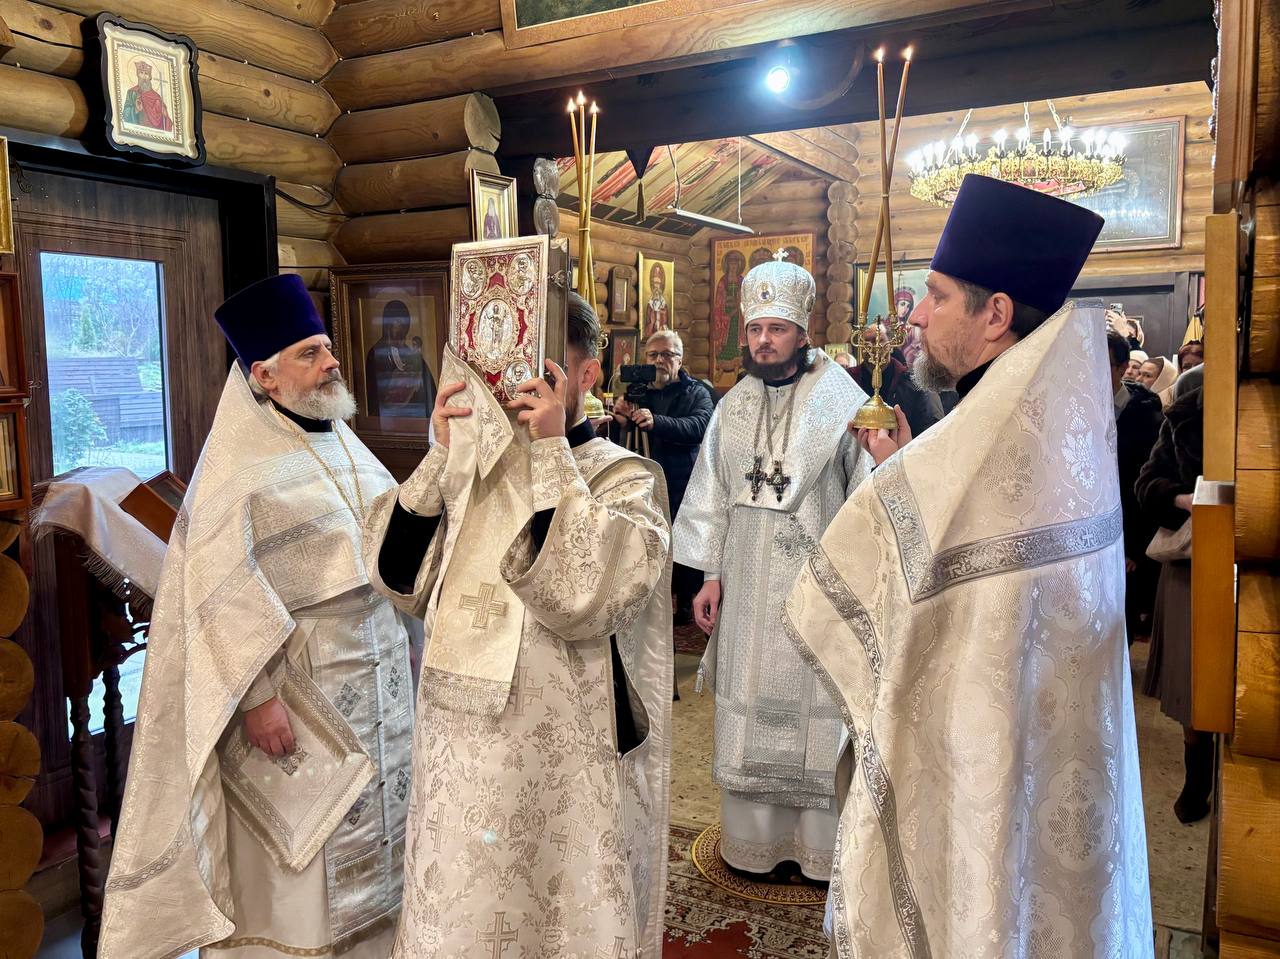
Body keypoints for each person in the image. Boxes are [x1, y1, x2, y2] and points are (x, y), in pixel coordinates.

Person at [787, 175, 1152, 956]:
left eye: (937, 295)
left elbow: (864, 592)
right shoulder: (1048, 431)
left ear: (996, 315)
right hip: (1025, 777)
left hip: (984, 775)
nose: (916, 315)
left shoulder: (999, 445)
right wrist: (905, 468)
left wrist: (896, 482)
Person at [99, 274, 413, 958]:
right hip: (301, 695)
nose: (330, 362)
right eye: (310, 353)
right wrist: (258, 697)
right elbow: (217, 592)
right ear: (264, 376)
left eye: (326, 347)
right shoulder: (238, 467)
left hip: (379, 685)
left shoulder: (342, 440)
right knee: (305, 862)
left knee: (389, 843)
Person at [364, 292, 674, 957]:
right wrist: (441, 455)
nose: (516, 382)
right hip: (456, 749)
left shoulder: (622, 476)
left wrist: (553, 450)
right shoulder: (470, 470)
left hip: (561, 753)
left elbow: (590, 594)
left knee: (554, 913)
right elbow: (397, 579)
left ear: (587, 373)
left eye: (539, 364)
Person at [673, 252, 870, 882]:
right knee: (751, 702)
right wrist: (708, 577)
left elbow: (866, 494)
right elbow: (710, 492)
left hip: (816, 585)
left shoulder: (843, 401)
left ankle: (816, 851)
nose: (763, 340)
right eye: (755, 329)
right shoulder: (732, 406)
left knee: (817, 708)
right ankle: (754, 844)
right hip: (748, 586)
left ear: (802, 333)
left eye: (776, 329)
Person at [1137, 363, 1210, 822]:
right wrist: (1184, 499)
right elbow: (1146, 484)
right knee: (1191, 679)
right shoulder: (1184, 414)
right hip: (1191, 560)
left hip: (1254, 556)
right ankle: (1197, 774)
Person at [613, 329, 713, 625]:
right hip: (645, 479)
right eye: (653, 354)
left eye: (667, 354)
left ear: (680, 360)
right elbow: (625, 440)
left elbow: (700, 426)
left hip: (682, 480)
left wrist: (657, 422)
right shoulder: (638, 393)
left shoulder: (696, 392)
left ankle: (685, 601)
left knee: (682, 544)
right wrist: (622, 421)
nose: (659, 360)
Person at [1107, 331, 1165, 641]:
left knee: (1121, 617)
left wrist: (1135, 547)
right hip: (1088, 535)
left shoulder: (1146, 416)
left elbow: (1145, 485)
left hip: (1127, 537)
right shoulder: (1074, 406)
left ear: (1121, 368)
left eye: (1102, 364)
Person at [850, 322, 943, 437]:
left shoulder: (911, 382)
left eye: (879, 340)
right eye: (866, 342)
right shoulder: (850, 380)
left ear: (891, 345)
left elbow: (925, 427)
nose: (873, 347)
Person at [366, 299, 436, 420]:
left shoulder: (409, 352)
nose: (402, 327)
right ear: (387, 324)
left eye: (405, 323)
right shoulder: (376, 353)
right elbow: (373, 396)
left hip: (416, 417)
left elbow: (430, 389)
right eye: (398, 322)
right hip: (389, 418)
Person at [122, 60, 173, 131]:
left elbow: (167, 122)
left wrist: (164, 115)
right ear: (138, 75)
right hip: (138, 130)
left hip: (155, 132)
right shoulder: (132, 92)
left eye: (146, 74)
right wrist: (136, 109)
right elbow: (125, 114)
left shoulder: (157, 97)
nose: (144, 76)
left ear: (149, 77)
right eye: (141, 73)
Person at [643, 260, 670, 337]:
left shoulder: (664, 304)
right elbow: (648, 322)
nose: (656, 286)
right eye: (655, 283)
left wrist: (660, 313)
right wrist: (652, 322)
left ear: (661, 284)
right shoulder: (650, 304)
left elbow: (665, 321)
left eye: (658, 283)